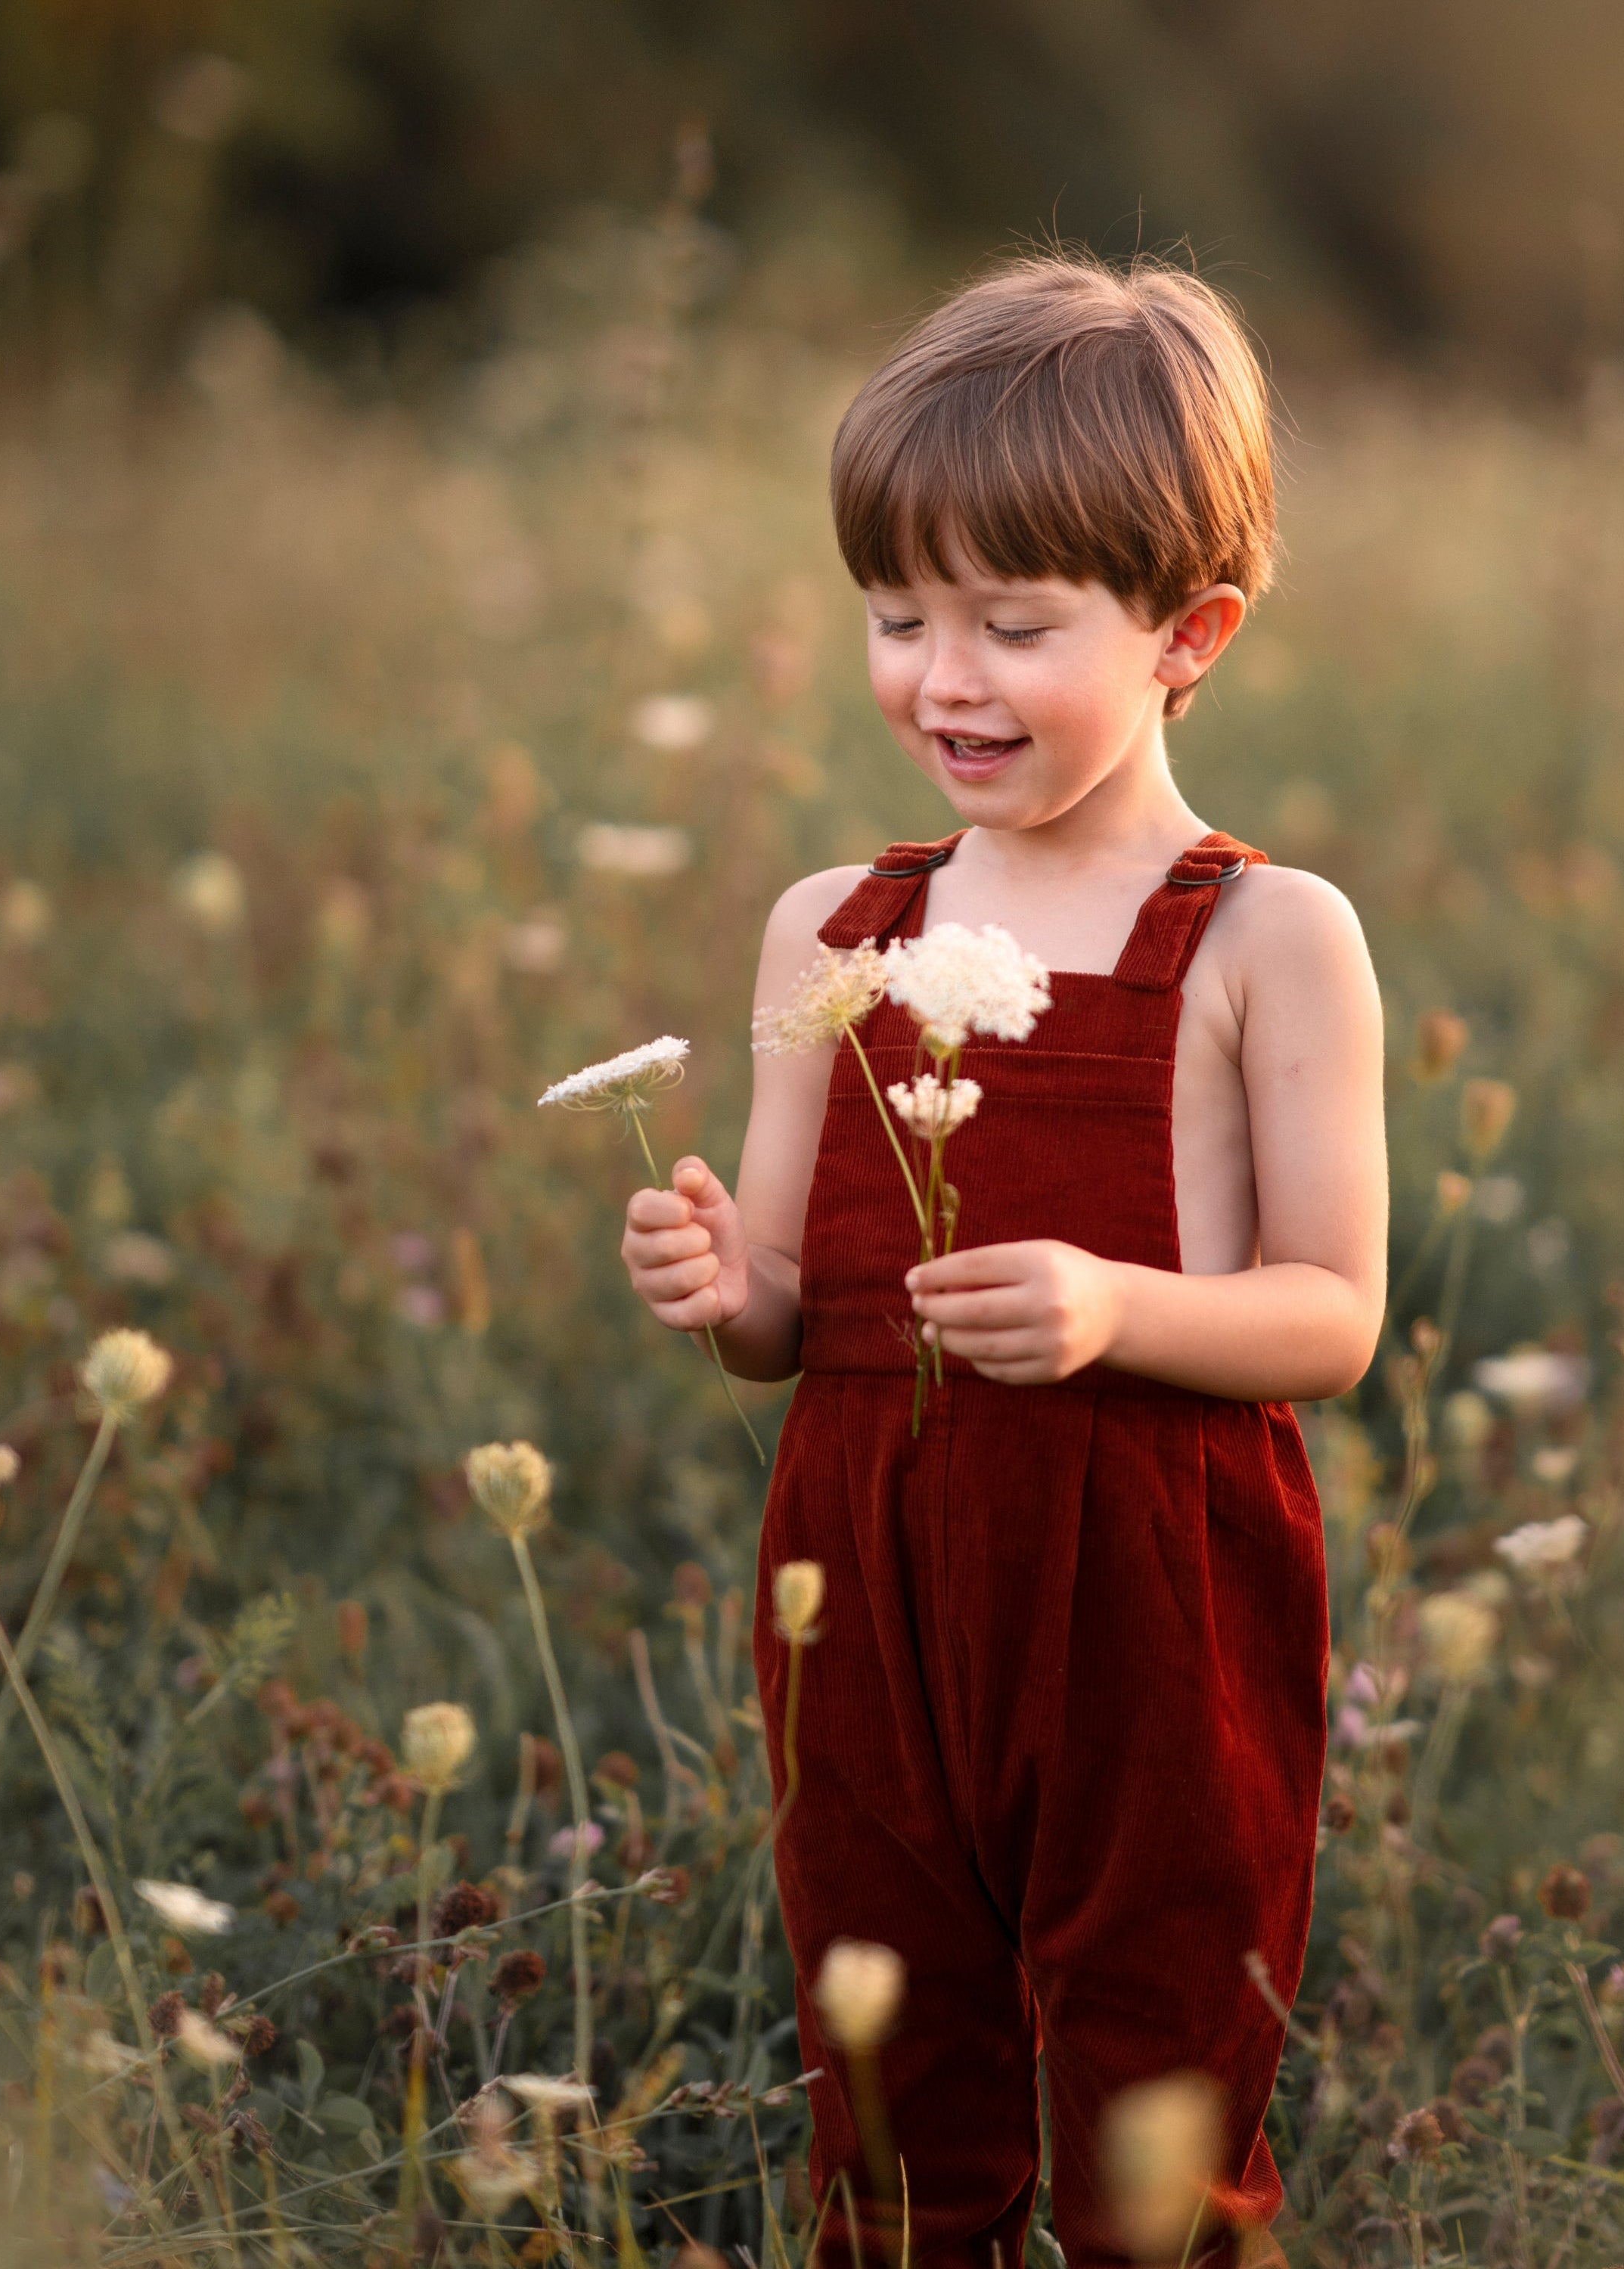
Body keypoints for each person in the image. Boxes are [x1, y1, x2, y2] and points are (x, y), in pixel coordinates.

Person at [619, 251, 1387, 2267]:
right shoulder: (833, 928)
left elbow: (1334, 1311)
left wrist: (1118, 1309)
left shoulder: (1264, 935)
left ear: (1187, 633)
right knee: (886, 2079)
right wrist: (723, 1287)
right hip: (862, 1586)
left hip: (1150, 1594)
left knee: (1158, 2091)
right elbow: (793, 1320)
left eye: (1013, 624)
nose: (941, 679)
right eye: (898, 616)